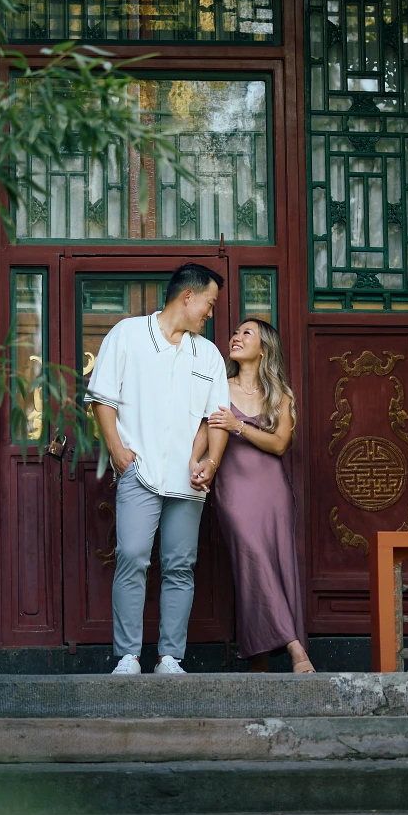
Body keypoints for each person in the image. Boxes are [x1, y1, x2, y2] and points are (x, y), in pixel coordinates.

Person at [86, 263, 230, 676]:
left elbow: (216, 418)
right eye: (209, 302)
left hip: (188, 480)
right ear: (188, 296)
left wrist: (210, 462)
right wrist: (117, 451)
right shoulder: (128, 334)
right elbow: (102, 398)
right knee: (131, 556)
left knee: (180, 565)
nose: (210, 312)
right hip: (140, 470)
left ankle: (171, 657)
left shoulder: (208, 354)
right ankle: (128, 655)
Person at [192, 318, 313, 674]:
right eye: (236, 332)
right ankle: (295, 649)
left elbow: (279, 445)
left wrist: (238, 425)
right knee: (253, 559)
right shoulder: (219, 387)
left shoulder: (281, 395)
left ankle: (259, 660)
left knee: (274, 567)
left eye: (247, 333)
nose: (236, 337)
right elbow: (203, 432)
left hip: (272, 492)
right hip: (234, 491)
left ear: (264, 349)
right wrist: (195, 463)